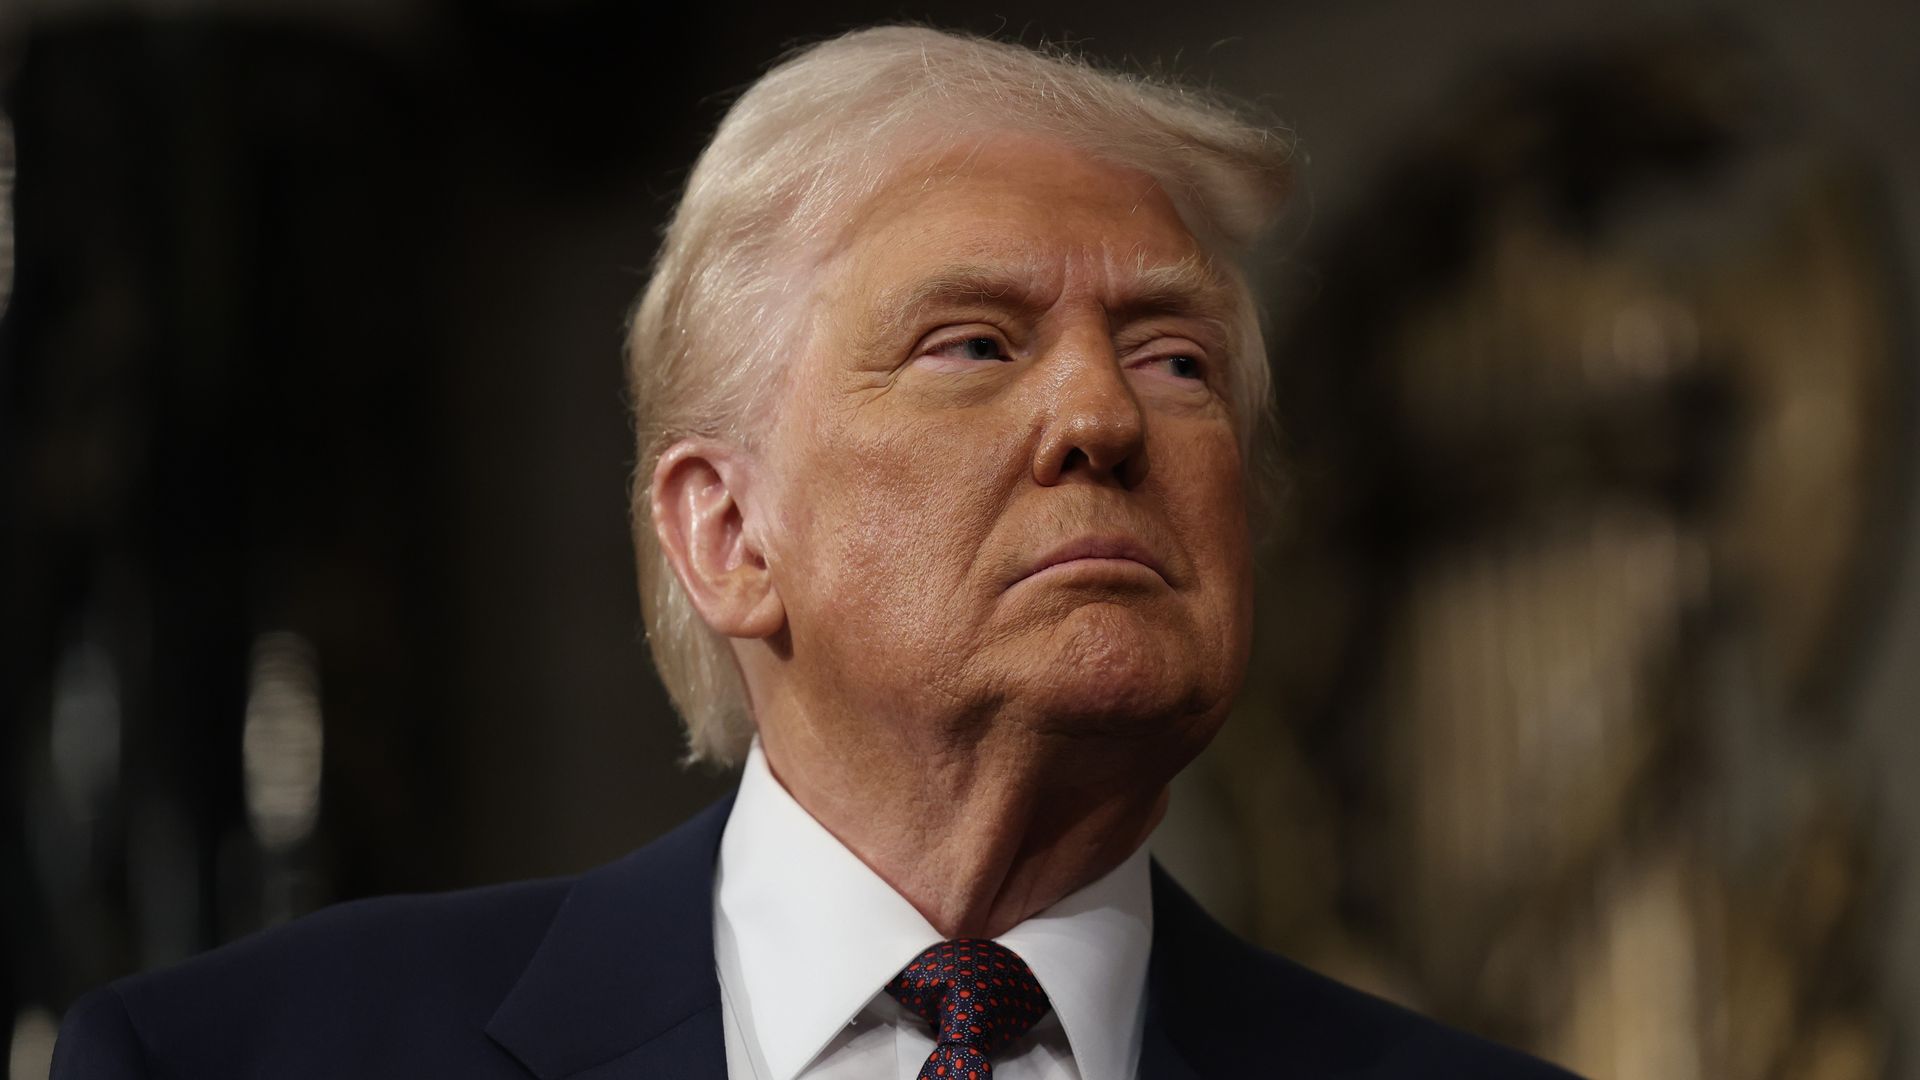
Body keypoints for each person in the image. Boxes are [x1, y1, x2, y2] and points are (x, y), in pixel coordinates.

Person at [52, 26, 1576, 1080]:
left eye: (1175, 359)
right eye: (975, 344)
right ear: (726, 533)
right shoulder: (249, 1058)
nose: (1104, 417)